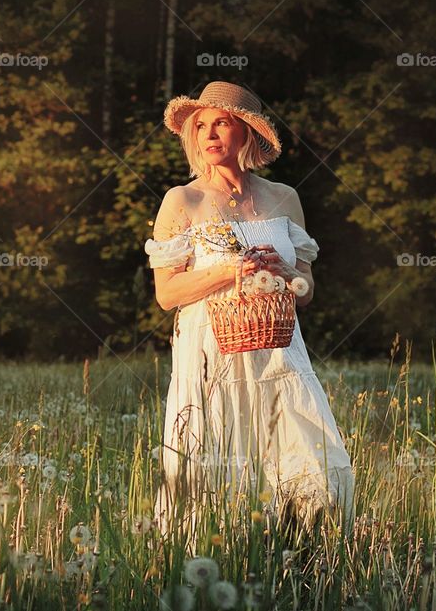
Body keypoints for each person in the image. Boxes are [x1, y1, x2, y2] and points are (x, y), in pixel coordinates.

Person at [144, 81, 355, 541]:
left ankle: (303, 555)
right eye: (200, 126)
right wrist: (228, 273)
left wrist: (283, 272)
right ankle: (212, 556)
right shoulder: (183, 201)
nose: (208, 134)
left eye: (221, 123)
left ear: (248, 134)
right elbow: (167, 293)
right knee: (216, 457)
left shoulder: (285, 199)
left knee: (309, 458)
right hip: (210, 353)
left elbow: (306, 290)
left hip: (280, 352)